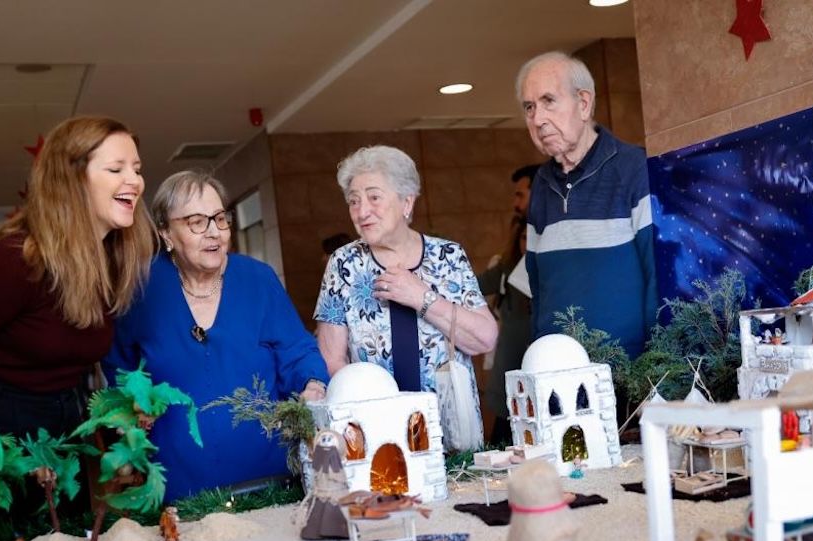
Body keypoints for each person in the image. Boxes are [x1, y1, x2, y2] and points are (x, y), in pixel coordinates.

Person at [0, 116, 155, 495]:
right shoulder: (15, 259)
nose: (134, 181)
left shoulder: (111, 260)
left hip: (55, 432)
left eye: (136, 169)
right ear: (72, 180)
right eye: (116, 168)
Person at [105, 170, 327, 502]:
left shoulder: (258, 279)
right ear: (166, 233)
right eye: (196, 222)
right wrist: (131, 408)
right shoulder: (139, 289)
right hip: (178, 489)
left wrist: (312, 383)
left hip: (271, 482)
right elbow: (119, 370)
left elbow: (296, 350)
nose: (214, 233)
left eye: (220, 219)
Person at [314, 145, 497, 423]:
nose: (362, 211)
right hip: (376, 427)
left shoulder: (447, 256)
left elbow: (484, 338)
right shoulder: (344, 264)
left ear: (406, 202)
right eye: (353, 201)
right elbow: (331, 359)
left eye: (374, 197)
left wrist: (423, 298)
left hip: (449, 425)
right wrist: (376, 414)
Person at [517, 51, 658, 359]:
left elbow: (657, 277)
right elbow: (539, 289)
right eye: (530, 107)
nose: (538, 119)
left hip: (631, 374)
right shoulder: (540, 183)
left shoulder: (634, 167)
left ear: (583, 103)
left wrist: (656, 368)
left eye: (548, 101)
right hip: (559, 375)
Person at [477, 216, 531, 445]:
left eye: (532, 237)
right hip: (511, 345)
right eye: (523, 237)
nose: (527, 243)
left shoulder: (552, 265)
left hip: (537, 342)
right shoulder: (507, 267)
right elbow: (474, 285)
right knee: (505, 404)